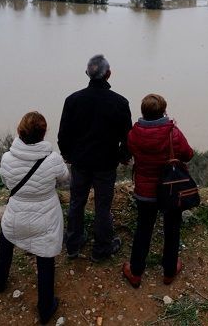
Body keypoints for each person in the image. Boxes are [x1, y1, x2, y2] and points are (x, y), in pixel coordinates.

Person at [0, 111, 69, 325]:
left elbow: (5, 180)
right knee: (45, 256)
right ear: (43, 133)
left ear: (19, 131)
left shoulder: (7, 158)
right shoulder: (53, 159)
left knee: (7, 237)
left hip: (16, 211)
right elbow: (64, 178)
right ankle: (46, 308)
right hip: (46, 215)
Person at [58, 54, 132, 261]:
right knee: (102, 206)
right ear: (108, 74)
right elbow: (128, 137)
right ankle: (101, 249)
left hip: (80, 162)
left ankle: (73, 245)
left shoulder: (72, 100)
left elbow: (63, 135)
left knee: (76, 202)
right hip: (106, 163)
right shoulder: (119, 102)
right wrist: (122, 156)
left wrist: (68, 155)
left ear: (87, 74)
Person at [122, 94, 194, 288]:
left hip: (144, 192)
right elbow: (188, 155)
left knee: (143, 229)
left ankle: (136, 272)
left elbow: (132, 151)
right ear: (163, 111)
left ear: (143, 112)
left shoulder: (133, 134)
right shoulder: (173, 132)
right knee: (172, 229)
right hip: (170, 190)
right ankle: (169, 272)